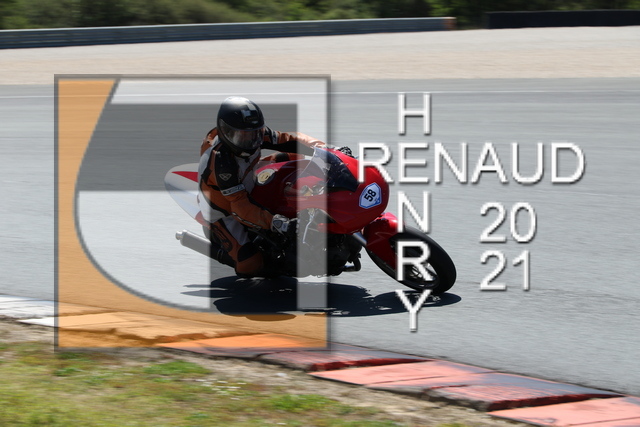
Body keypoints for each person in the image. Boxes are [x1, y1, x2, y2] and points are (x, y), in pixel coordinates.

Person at [197, 96, 327, 277]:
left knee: (292, 157)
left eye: (254, 133)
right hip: (224, 208)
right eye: (242, 136)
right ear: (226, 132)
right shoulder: (221, 163)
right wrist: (279, 223)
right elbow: (239, 207)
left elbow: (287, 138)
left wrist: (325, 149)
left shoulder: (253, 134)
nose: (250, 140)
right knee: (249, 264)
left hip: (248, 178)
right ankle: (231, 253)